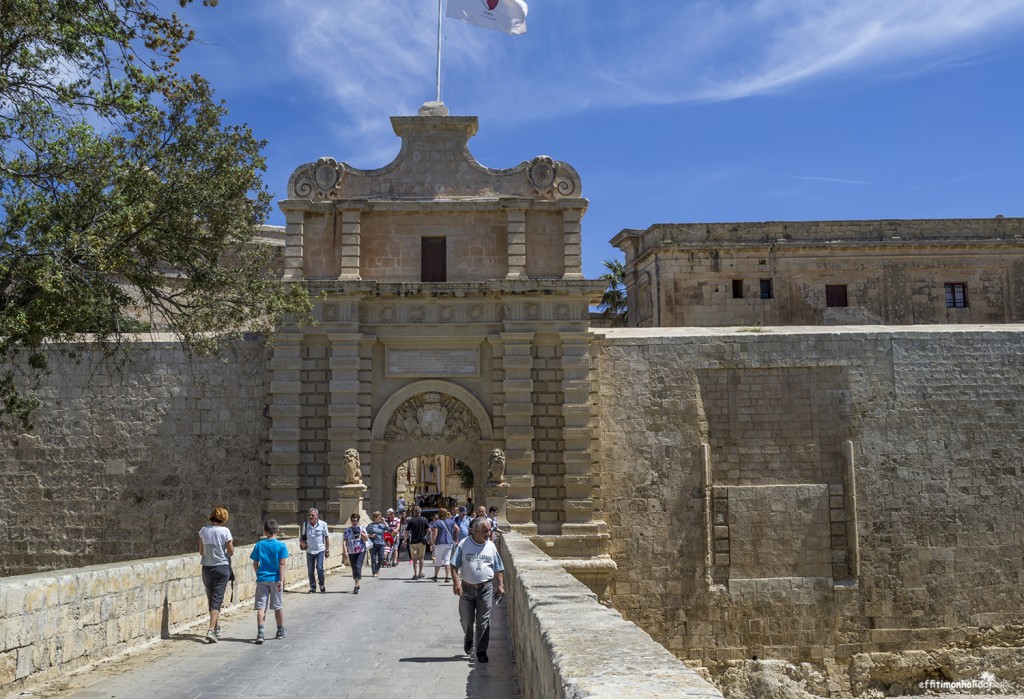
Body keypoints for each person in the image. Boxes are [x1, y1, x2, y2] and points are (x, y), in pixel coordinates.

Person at [450, 517, 505, 664]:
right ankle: (469, 639)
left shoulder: (491, 546)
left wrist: (500, 585)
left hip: (485, 588)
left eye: (489, 530)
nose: (489, 533)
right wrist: (456, 583)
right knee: (467, 620)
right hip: (467, 589)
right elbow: (453, 565)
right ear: (475, 531)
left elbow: (498, 567)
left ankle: (481, 651)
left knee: (483, 622)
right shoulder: (464, 544)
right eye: (485, 531)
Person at [198, 506, 234, 644]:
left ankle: (216, 627)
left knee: (211, 597)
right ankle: (211, 630)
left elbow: (201, 552)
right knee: (217, 598)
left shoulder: (203, 531)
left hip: (206, 567)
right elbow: (231, 552)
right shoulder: (225, 531)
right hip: (221, 567)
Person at [250, 519, 288, 643]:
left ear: (265, 531)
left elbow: (255, 563)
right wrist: (281, 580)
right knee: (278, 606)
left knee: (261, 607)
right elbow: (282, 564)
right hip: (276, 579)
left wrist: (259, 574)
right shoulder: (281, 546)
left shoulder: (259, 545)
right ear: (277, 531)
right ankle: (280, 630)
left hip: (262, 579)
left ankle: (260, 633)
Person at [301, 507, 330, 593]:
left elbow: (327, 538)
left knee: (320, 568)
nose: (310, 517)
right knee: (310, 570)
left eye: (312, 515)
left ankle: (321, 584)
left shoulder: (323, 524)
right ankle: (313, 587)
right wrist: (302, 543)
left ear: (317, 516)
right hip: (309, 550)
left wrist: (327, 550)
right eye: (309, 515)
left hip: (320, 550)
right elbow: (302, 537)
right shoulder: (305, 525)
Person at [342, 512, 369, 593]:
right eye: (353, 520)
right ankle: (357, 582)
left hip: (361, 550)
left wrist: (360, 532)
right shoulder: (347, 530)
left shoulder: (362, 528)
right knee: (354, 568)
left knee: (357, 566)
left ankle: (356, 586)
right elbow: (344, 542)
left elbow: (367, 538)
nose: (354, 522)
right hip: (351, 551)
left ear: (358, 521)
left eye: (356, 520)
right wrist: (345, 552)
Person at [428, 507, 456, 582]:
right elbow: (457, 529)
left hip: (440, 543)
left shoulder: (437, 522)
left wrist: (432, 543)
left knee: (438, 560)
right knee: (447, 560)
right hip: (449, 543)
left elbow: (435, 533)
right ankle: (447, 577)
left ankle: (435, 576)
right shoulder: (451, 521)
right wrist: (455, 537)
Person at [405, 505, 430, 580]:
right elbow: (428, 530)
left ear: (414, 512)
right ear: (420, 512)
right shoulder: (424, 519)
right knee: (421, 557)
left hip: (413, 542)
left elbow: (406, 531)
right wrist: (425, 536)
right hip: (422, 541)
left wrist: (405, 540)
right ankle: (420, 573)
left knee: (414, 558)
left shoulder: (411, 520)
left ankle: (415, 574)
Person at [366, 511, 389, 577]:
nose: (380, 518)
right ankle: (374, 572)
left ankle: (377, 569)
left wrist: (384, 522)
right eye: (379, 517)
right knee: (373, 559)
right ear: (375, 518)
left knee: (381, 558)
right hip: (373, 544)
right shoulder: (371, 525)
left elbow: (388, 529)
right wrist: (370, 535)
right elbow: (365, 533)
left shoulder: (382, 525)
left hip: (381, 543)